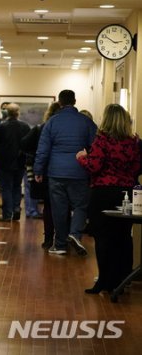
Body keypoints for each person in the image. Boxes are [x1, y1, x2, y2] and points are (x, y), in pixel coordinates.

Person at [76, 104, 140, 294]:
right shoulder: (134, 142)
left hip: (103, 193)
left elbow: (94, 166)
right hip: (127, 193)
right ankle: (123, 279)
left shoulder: (102, 140)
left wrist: (81, 157)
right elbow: (137, 168)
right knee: (123, 236)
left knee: (103, 238)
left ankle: (105, 281)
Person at [34, 89, 97, 256]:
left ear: (60, 103)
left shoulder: (52, 122)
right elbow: (97, 148)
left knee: (59, 210)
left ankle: (60, 245)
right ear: (75, 101)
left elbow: (43, 149)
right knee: (80, 206)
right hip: (80, 172)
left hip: (56, 173)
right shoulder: (86, 122)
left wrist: (38, 170)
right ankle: (75, 234)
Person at [21, 102, 61, 249]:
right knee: (64, 206)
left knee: (49, 206)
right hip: (65, 172)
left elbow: (24, 144)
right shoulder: (69, 129)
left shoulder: (41, 128)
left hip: (46, 171)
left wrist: (37, 166)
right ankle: (63, 239)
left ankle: (49, 238)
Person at [0, 104, 31, 221]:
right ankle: (16, 208)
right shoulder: (25, 126)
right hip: (20, 162)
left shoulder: (1, 127)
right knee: (17, 186)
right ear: (18, 113)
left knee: (6, 188)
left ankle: (7, 214)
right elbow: (28, 145)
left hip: (4, 162)